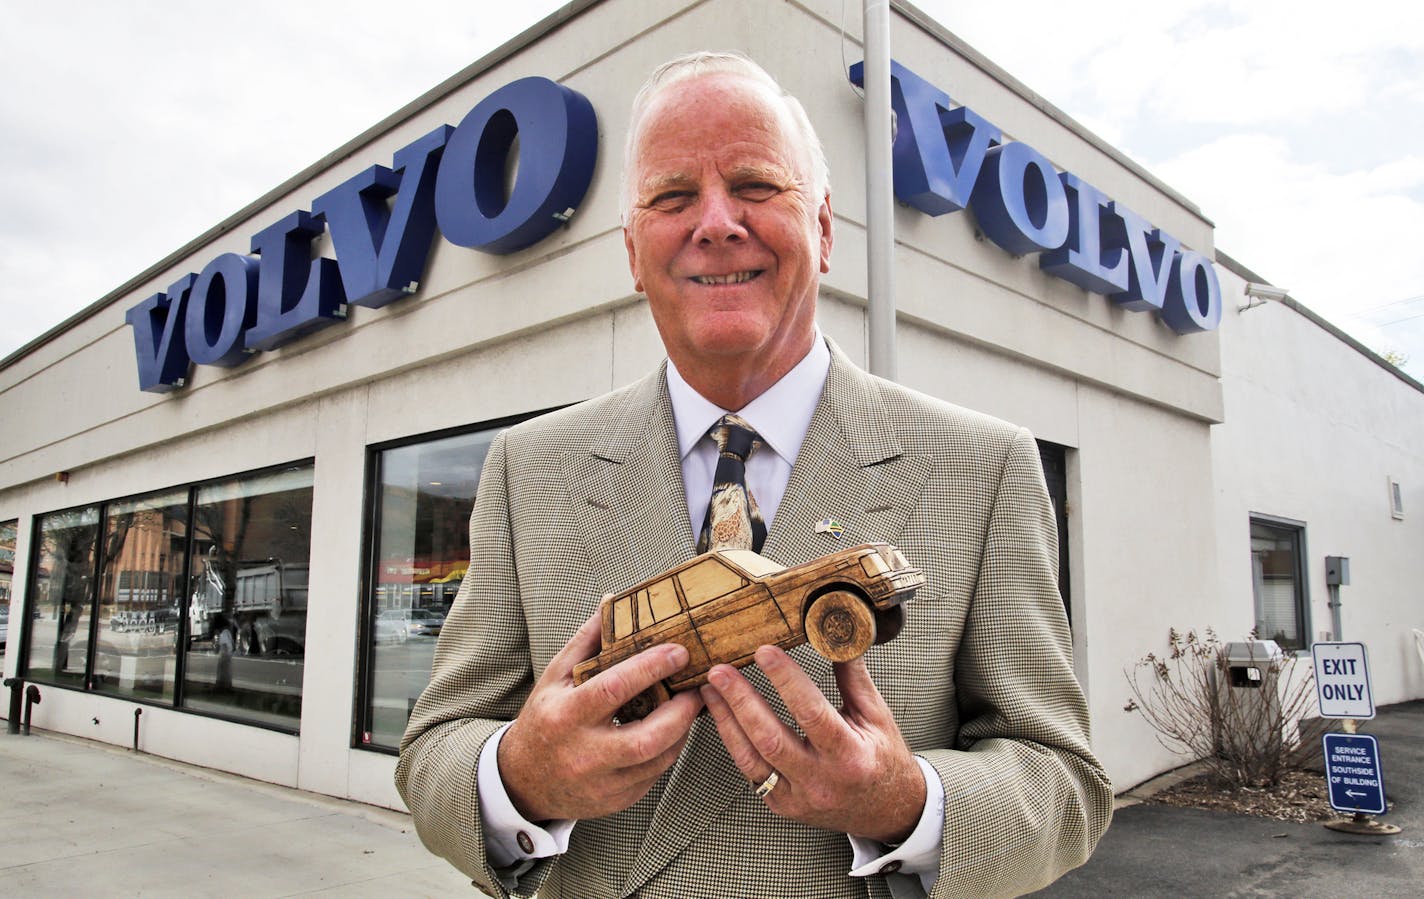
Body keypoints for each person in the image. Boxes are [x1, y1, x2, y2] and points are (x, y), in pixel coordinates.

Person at [396, 51, 1112, 898]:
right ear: (633, 252)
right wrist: (518, 776)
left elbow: (1065, 784)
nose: (715, 222)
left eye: (756, 185)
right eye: (671, 197)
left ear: (825, 230)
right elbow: (436, 742)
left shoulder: (982, 466)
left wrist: (905, 801)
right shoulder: (530, 469)